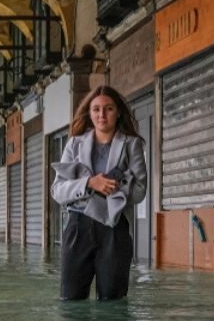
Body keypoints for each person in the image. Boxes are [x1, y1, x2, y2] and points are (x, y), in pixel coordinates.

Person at [50, 85, 147, 301]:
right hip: (78, 226)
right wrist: (90, 183)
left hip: (114, 227)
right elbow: (57, 191)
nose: (101, 115)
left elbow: (140, 191)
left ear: (118, 111)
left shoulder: (132, 145)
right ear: (89, 113)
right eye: (96, 109)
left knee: (113, 301)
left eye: (108, 108)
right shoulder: (74, 144)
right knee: (70, 299)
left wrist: (112, 187)